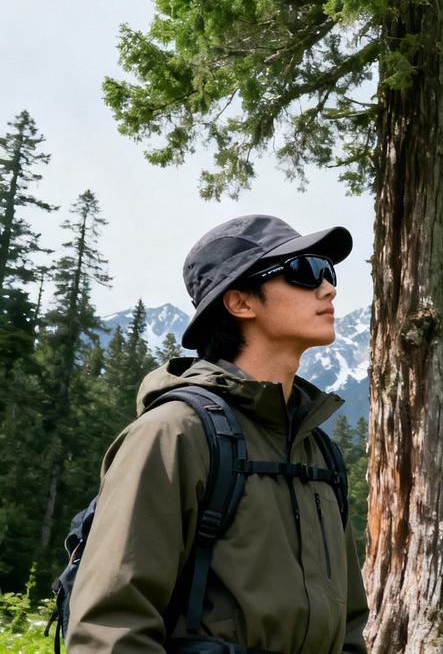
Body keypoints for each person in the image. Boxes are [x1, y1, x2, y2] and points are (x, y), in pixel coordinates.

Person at [66, 214, 369, 653]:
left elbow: (348, 626)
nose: (329, 287)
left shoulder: (317, 450)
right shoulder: (173, 434)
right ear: (240, 302)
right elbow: (111, 628)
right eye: (305, 272)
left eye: (329, 271)